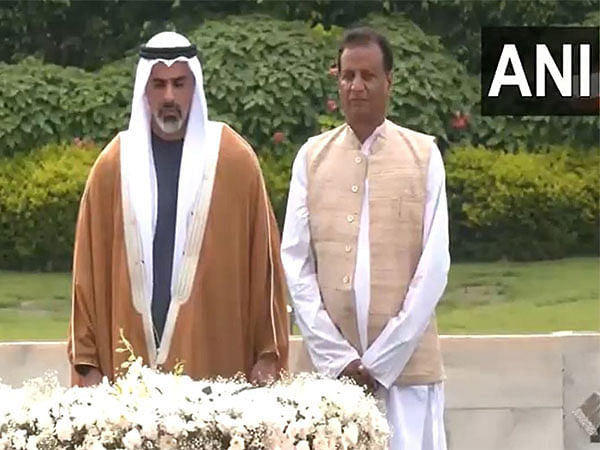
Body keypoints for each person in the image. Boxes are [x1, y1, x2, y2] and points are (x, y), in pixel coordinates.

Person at [68, 31, 289, 387]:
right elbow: (86, 274)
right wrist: (86, 361)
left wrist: (268, 354)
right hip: (126, 378)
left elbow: (265, 268)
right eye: (158, 84)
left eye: (179, 83)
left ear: (194, 87)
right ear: (144, 89)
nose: (169, 96)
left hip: (216, 364)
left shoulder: (234, 160)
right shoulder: (113, 165)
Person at [281, 27, 450, 450]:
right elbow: (296, 264)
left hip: (405, 375)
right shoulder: (311, 158)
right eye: (347, 76)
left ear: (388, 81)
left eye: (368, 76)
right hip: (327, 376)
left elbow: (434, 267)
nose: (356, 86)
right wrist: (338, 359)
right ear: (336, 80)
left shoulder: (424, 155)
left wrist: (381, 361)